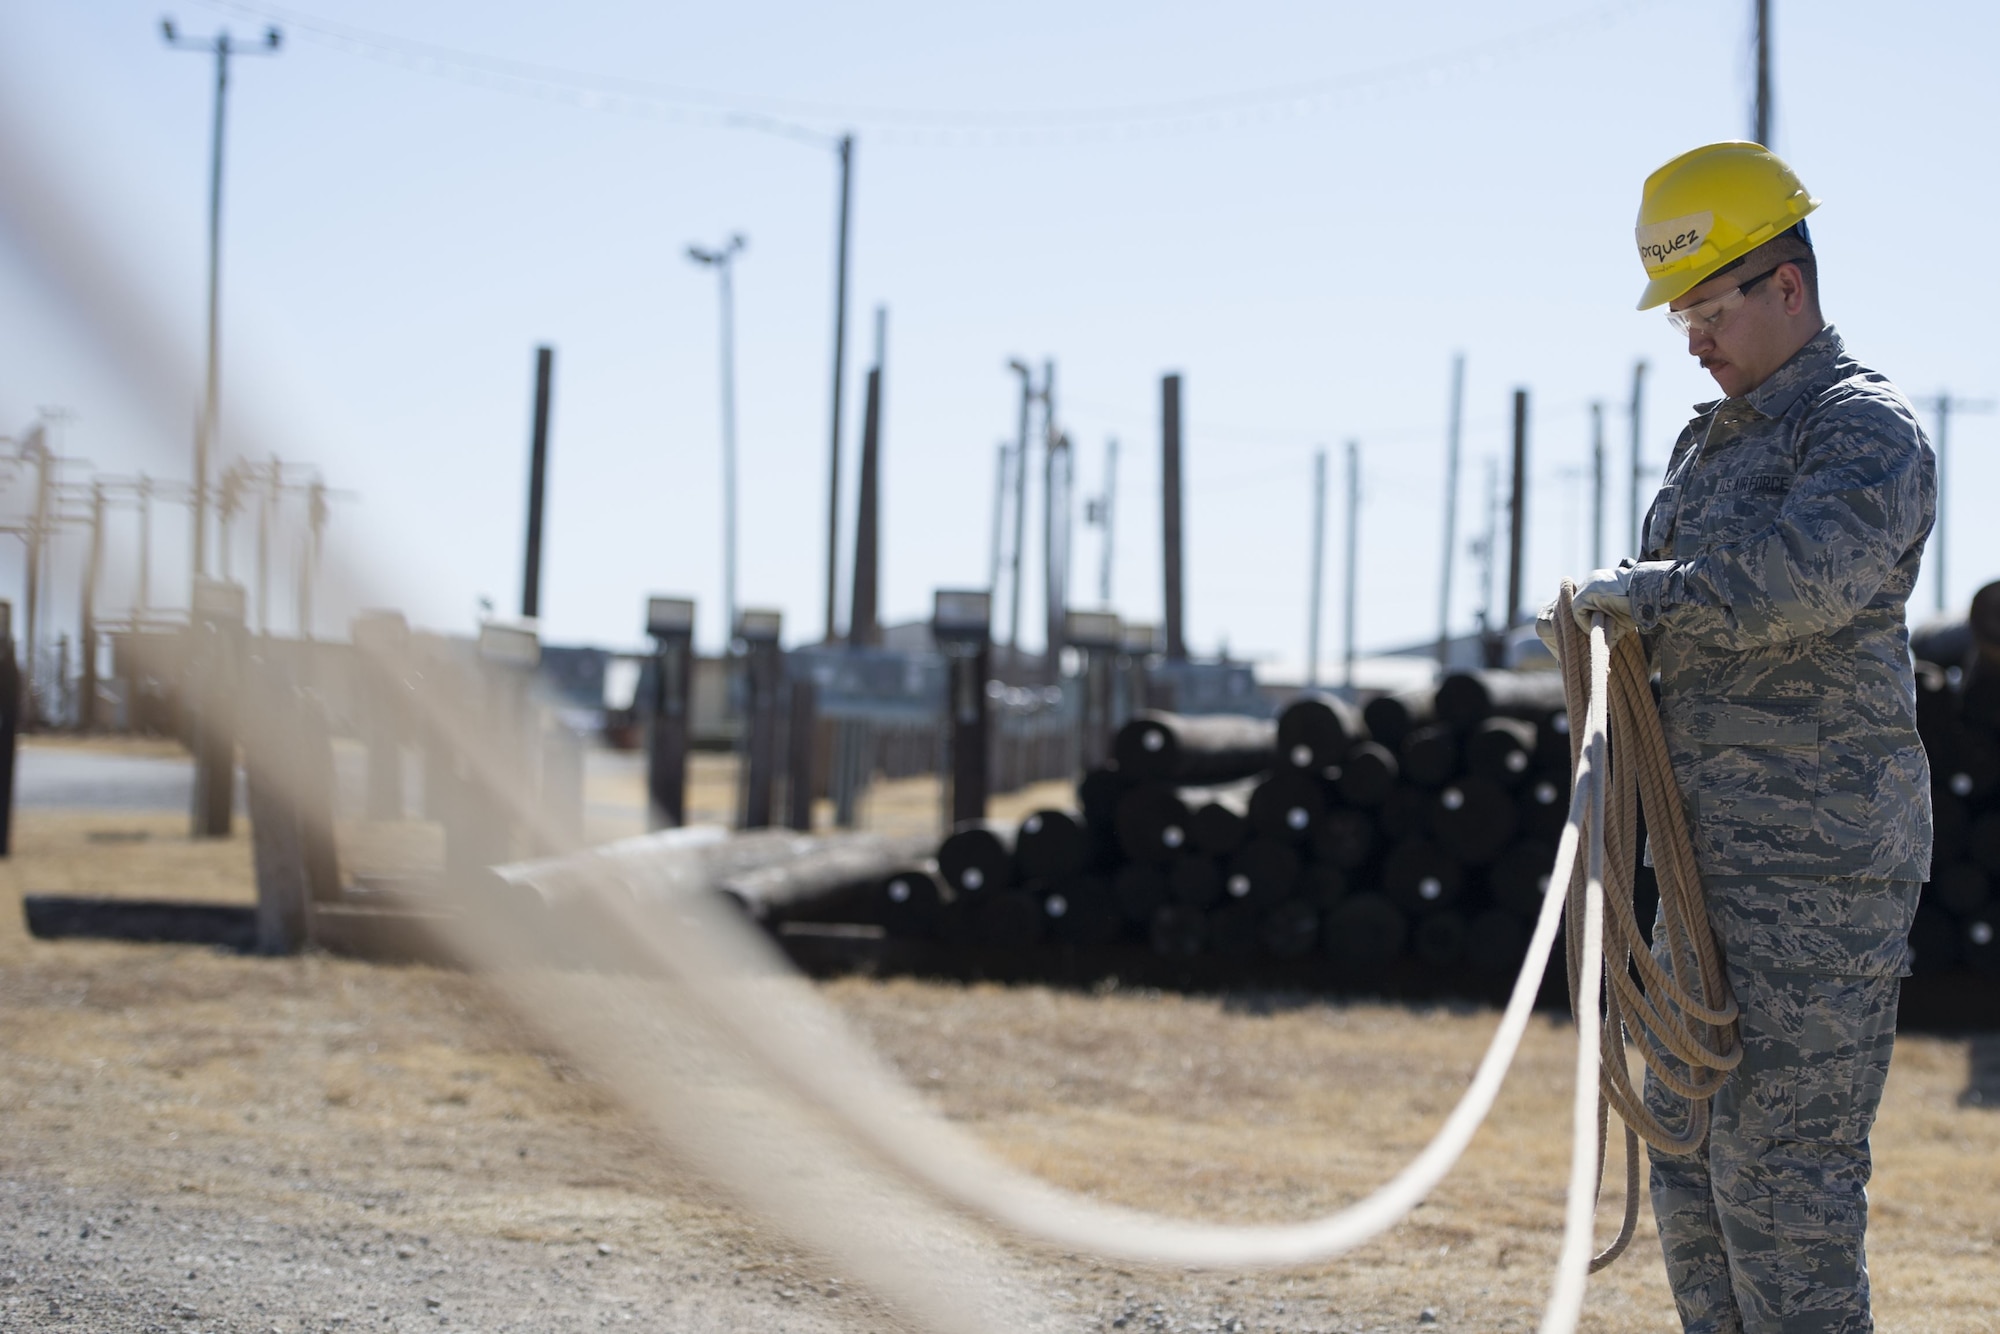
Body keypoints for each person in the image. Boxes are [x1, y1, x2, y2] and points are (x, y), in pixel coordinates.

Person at [1543, 142, 1936, 1332]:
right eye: (1682, 319)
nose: (1695, 339)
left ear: (1787, 286)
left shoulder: (1860, 429)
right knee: (1690, 1159)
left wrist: (1636, 595)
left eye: (1710, 309)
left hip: (1817, 867)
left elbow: (1796, 585)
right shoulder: (1703, 445)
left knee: (1787, 1180)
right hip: (1704, 867)